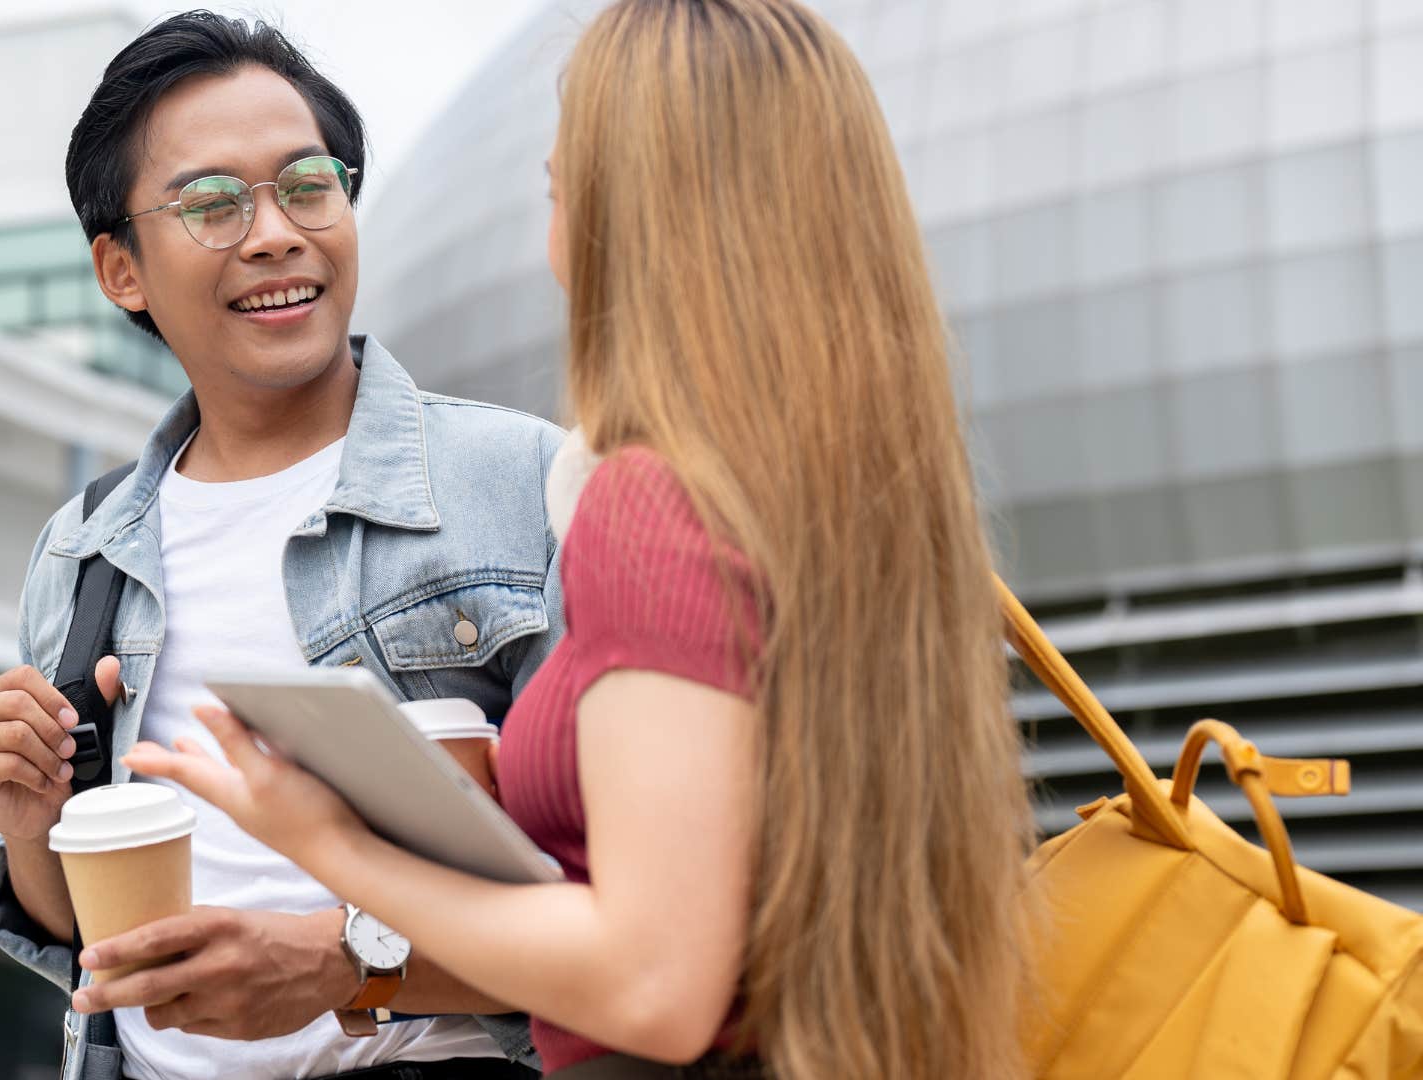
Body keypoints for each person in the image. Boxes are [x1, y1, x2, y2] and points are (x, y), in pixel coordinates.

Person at [122, 1, 1037, 1078]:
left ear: (632, 217)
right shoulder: (853, 503)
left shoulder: (648, 505)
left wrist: (326, 839)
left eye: (562, 190)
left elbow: (654, 984)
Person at [0, 12, 563, 1080]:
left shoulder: (525, 483)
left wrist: (345, 963)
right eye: (212, 203)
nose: (276, 232)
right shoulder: (83, 550)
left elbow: (633, 920)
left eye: (307, 184)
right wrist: (30, 826)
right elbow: (95, 939)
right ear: (122, 271)